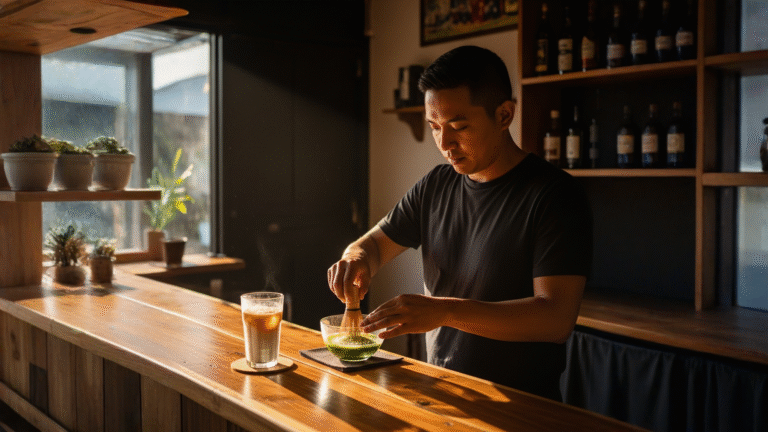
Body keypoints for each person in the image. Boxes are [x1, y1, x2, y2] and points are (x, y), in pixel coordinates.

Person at [326, 45, 592, 401]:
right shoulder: (435, 185)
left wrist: (444, 311)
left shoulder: (555, 195)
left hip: (520, 405)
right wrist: (355, 258)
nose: (445, 143)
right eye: (435, 127)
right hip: (440, 390)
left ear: (504, 115)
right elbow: (373, 245)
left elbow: (556, 319)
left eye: (459, 126)